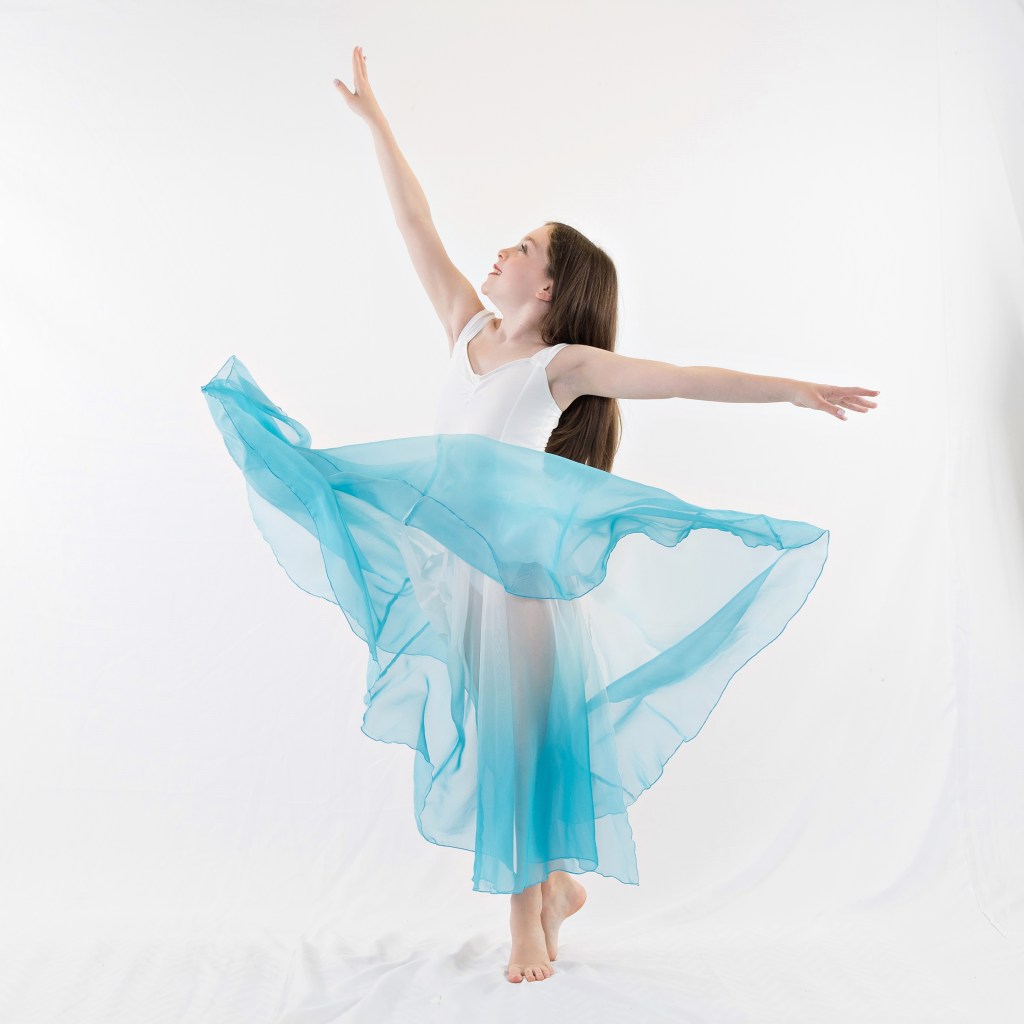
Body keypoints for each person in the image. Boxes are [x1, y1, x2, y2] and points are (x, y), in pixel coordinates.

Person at [201, 45, 879, 986]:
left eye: (522, 246)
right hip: (458, 577)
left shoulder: (554, 367)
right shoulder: (468, 331)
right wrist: (376, 123)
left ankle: (527, 914)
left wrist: (795, 390)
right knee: (496, 731)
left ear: (550, 287)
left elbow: (681, 382)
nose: (502, 251)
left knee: (520, 738)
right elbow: (413, 219)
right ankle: (558, 886)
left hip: (519, 583)